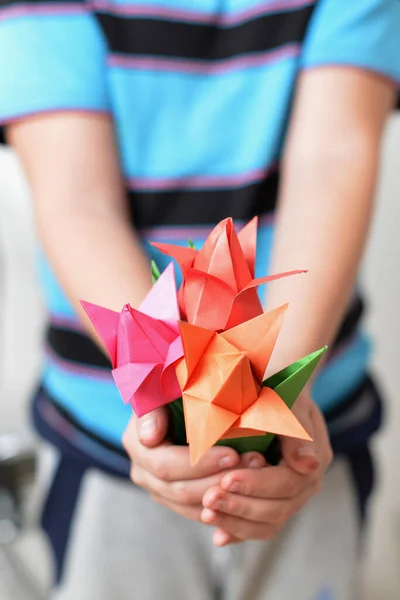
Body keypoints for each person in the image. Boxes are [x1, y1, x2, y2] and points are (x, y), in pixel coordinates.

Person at [1, 1, 399, 598]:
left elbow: (333, 157)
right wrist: (186, 406)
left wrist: (277, 409)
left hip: (315, 435)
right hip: (112, 443)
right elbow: (76, 199)